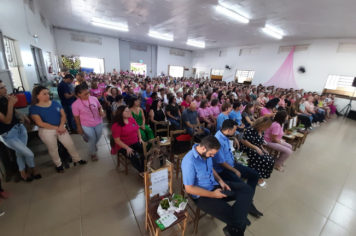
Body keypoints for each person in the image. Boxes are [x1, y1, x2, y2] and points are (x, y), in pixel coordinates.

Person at [182, 136, 253, 236]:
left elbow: (211, 169)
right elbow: (189, 189)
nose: (212, 156)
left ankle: (239, 223)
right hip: (202, 196)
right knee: (235, 220)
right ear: (203, 148)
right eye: (211, 154)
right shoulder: (189, 162)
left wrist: (221, 181)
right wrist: (213, 195)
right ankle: (240, 223)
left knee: (247, 189)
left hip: (215, 186)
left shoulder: (207, 154)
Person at [29, 86, 87, 173]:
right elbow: (40, 123)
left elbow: (63, 115)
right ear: (37, 96)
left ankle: (77, 159)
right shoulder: (34, 108)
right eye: (44, 94)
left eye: (47, 93)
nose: (47, 95)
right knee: (53, 148)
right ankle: (58, 164)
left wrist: (61, 125)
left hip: (60, 127)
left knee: (69, 144)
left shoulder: (55, 103)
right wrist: (57, 128)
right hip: (47, 130)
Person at [212, 119, 262, 218]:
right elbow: (221, 163)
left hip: (231, 164)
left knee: (254, 175)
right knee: (244, 188)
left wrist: (234, 139)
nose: (235, 131)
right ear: (228, 130)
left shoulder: (225, 135)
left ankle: (248, 202)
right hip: (223, 170)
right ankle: (247, 204)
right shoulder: (218, 140)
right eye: (234, 130)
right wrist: (235, 170)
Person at [0, 80, 41, 182]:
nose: (5, 89)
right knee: (29, 153)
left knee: (20, 152)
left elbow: (13, 110)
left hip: (19, 128)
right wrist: (10, 104)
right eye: (2, 88)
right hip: (8, 134)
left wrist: (21, 115)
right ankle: (32, 168)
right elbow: (7, 120)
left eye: (4, 86)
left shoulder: (5, 98)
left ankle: (22, 172)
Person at [72, 84, 106, 161]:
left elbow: (100, 106)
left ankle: (93, 145)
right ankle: (93, 153)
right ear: (79, 94)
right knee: (92, 138)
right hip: (86, 124)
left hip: (98, 121)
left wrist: (101, 111)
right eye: (85, 94)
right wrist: (79, 127)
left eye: (88, 93)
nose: (87, 95)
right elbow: (76, 117)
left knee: (98, 136)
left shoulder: (94, 98)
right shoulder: (75, 104)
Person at [241, 117, 274, 188]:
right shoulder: (250, 130)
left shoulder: (262, 130)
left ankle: (260, 176)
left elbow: (259, 142)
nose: (267, 128)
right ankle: (258, 178)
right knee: (263, 159)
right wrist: (256, 148)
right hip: (248, 149)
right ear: (261, 125)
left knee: (271, 159)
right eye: (266, 127)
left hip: (256, 147)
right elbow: (244, 141)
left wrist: (262, 148)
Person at [112, 106, 145, 177]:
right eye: (126, 111)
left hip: (135, 141)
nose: (129, 112)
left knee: (145, 151)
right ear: (120, 113)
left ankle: (143, 168)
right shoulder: (116, 125)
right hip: (123, 145)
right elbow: (117, 140)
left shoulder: (131, 119)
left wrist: (140, 138)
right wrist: (127, 148)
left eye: (128, 111)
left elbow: (137, 129)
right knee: (133, 155)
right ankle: (141, 171)